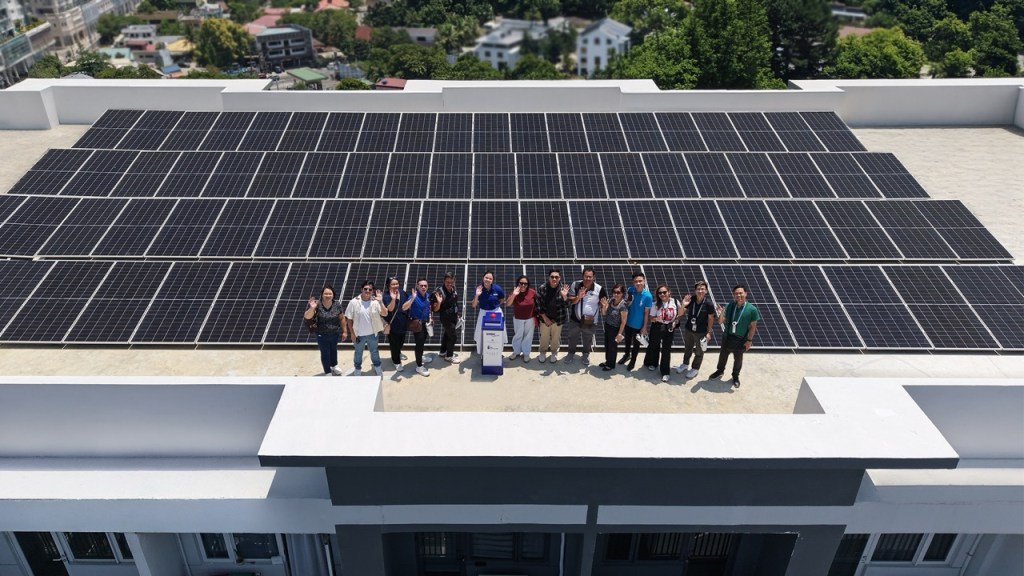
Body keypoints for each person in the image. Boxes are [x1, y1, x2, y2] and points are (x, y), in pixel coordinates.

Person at [710, 284, 760, 388]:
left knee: (738, 359)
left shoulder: (752, 309)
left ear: (746, 294)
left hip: (741, 339)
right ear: (733, 295)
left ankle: (735, 376)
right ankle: (720, 371)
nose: (738, 295)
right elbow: (720, 322)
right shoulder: (729, 306)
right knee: (723, 356)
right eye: (736, 293)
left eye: (741, 293)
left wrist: (749, 340)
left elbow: (753, 327)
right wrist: (721, 313)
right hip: (727, 336)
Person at [342, 280, 386, 377]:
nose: (367, 291)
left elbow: (384, 313)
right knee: (358, 352)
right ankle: (357, 368)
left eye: (370, 289)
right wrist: (352, 333)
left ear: (372, 291)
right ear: (361, 289)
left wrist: (381, 302)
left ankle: (377, 366)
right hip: (359, 335)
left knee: (374, 351)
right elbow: (349, 318)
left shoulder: (375, 302)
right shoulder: (354, 302)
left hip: (372, 334)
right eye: (365, 289)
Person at [565, 266, 607, 366]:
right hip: (575, 319)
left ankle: (585, 354)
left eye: (590, 277)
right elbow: (571, 301)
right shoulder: (575, 285)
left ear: (594, 277)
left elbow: (603, 303)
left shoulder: (599, 289)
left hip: (590, 321)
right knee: (572, 337)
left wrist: (604, 306)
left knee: (587, 338)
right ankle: (571, 353)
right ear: (582, 276)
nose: (587, 279)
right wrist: (578, 296)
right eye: (586, 276)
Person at [675, 280, 716, 379]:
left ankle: (695, 368)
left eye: (702, 289)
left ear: (706, 291)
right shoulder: (691, 299)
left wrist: (709, 332)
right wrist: (683, 304)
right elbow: (680, 313)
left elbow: (711, 318)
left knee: (699, 351)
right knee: (687, 348)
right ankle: (685, 364)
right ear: (695, 290)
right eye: (698, 289)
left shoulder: (709, 304)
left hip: (701, 331)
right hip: (689, 329)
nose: (700, 291)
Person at [304, 285, 345, 375]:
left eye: (330, 293)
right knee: (325, 353)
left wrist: (344, 331)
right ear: (322, 294)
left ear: (333, 295)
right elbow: (307, 316)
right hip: (321, 335)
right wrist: (312, 308)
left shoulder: (337, 304)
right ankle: (327, 371)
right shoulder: (317, 305)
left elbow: (341, 318)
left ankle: (334, 366)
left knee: (333, 350)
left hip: (334, 333)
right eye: (325, 293)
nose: (328, 295)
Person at [643, 283, 680, 383]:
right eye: (660, 293)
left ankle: (665, 372)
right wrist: (656, 318)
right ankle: (653, 363)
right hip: (657, 327)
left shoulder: (675, 302)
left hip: (669, 329)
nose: (662, 294)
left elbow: (679, 315)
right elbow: (651, 318)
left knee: (666, 350)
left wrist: (675, 322)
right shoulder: (655, 305)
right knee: (654, 346)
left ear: (669, 292)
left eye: (664, 292)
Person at [534, 268, 569, 363]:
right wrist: (545, 318)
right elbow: (538, 305)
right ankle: (542, 352)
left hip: (558, 319)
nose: (554, 279)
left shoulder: (563, 289)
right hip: (545, 319)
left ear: (559, 278)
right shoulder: (542, 288)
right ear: (548, 277)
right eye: (552, 277)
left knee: (555, 338)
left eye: (556, 277)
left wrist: (565, 296)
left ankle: (554, 352)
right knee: (544, 337)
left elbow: (568, 305)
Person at [619, 272, 652, 370]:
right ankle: (626, 355)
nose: (638, 283)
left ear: (644, 281)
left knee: (636, 345)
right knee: (627, 341)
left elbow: (646, 313)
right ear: (633, 282)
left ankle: (633, 361)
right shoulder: (630, 290)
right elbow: (626, 304)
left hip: (638, 325)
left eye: (640, 281)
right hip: (628, 322)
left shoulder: (648, 296)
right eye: (636, 281)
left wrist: (644, 327)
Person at [402, 277, 432, 376]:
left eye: (425, 285)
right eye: (421, 285)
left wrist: (430, 317)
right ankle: (419, 366)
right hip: (417, 324)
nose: (423, 287)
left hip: (426, 323)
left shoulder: (427, 296)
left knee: (422, 342)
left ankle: (421, 357)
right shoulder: (413, 296)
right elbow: (404, 307)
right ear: (417, 286)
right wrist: (412, 299)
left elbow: (429, 307)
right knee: (419, 345)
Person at [471, 270, 505, 355]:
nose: (488, 280)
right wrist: (477, 295)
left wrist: (494, 307)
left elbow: (502, 299)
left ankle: (497, 351)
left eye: (490, 278)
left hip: (496, 313)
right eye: (486, 277)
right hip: (483, 313)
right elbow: (474, 305)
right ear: (483, 278)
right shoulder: (479, 289)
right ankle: (484, 352)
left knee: (497, 334)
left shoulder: (497, 288)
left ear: (492, 280)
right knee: (482, 334)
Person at [506, 275, 537, 362]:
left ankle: (526, 353)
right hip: (518, 318)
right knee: (518, 335)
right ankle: (516, 351)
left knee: (528, 336)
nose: (523, 285)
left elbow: (538, 303)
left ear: (528, 285)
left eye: (525, 284)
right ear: (518, 283)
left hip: (530, 318)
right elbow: (508, 304)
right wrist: (514, 295)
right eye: (521, 283)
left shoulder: (532, 292)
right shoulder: (514, 292)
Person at [382, 276, 410, 372]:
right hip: (392, 324)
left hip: (403, 322)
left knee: (401, 341)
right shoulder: (385, 296)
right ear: (388, 285)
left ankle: (398, 352)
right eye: (393, 284)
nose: (395, 286)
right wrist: (393, 299)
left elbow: (406, 305)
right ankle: (396, 361)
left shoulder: (402, 293)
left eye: (396, 284)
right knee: (394, 344)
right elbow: (389, 309)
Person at [432, 272, 461, 363]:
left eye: (451, 282)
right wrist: (439, 302)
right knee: (453, 337)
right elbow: (435, 309)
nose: (449, 284)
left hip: (453, 316)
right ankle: (449, 356)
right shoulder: (439, 293)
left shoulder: (453, 289)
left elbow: (454, 302)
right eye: (447, 282)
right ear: (444, 281)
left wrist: (457, 313)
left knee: (447, 334)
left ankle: (442, 351)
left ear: (454, 281)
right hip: (445, 318)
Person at [598, 283, 628, 371]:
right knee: (607, 345)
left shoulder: (623, 305)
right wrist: (603, 306)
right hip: (607, 326)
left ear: (622, 293)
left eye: (618, 292)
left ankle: (611, 365)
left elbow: (623, 322)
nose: (616, 294)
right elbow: (604, 313)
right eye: (614, 292)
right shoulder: (611, 301)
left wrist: (619, 334)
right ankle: (607, 361)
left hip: (615, 329)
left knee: (612, 347)